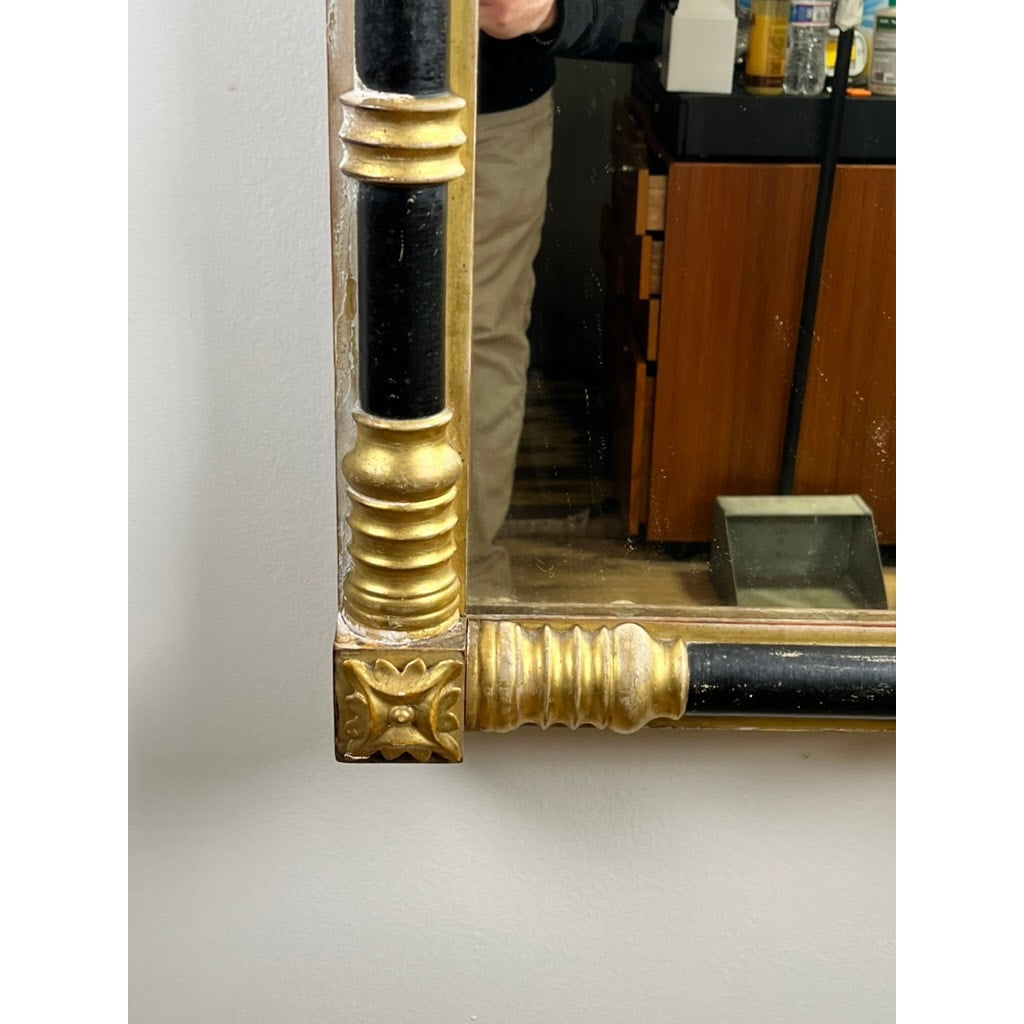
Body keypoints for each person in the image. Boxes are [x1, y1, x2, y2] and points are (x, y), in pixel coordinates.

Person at [469, 1, 628, 597]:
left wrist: (558, 7)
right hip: (321, 85)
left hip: (497, 103)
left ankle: (468, 576)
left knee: (482, 336)